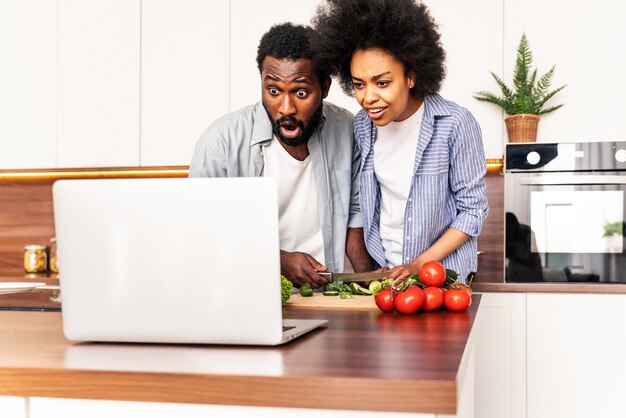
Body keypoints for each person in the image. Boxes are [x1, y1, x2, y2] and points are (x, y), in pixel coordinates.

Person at [311, 0, 489, 282]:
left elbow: (472, 211)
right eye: (359, 84)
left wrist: (418, 265)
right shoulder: (362, 126)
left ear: (411, 76)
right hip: (387, 276)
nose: (368, 97)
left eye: (382, 83)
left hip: (441, 277)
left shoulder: (454, 123)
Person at [189, 23, 372, 288]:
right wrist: (279, 262)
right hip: (248, 293)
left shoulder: (347, 130)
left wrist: (371, 283)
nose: (286, 108)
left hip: (330, 294)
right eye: (273, 91)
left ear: (324, 86)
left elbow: (355, 220)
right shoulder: (221, 142)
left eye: (300, 92)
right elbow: (201, 232)